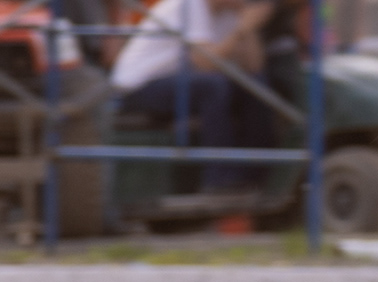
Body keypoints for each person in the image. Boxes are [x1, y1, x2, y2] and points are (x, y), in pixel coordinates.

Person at [109, 0, 277, 192]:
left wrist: (249, 28)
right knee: (214, 87)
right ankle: (219, 178)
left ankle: (256, 176)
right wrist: (241, 29)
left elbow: (254, 67)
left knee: (255, 84)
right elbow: (204, 63)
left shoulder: (231, 15)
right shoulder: (189, 5)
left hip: (178, 83)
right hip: (139, 85)